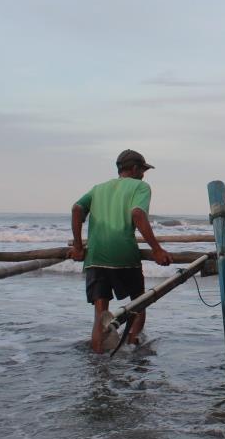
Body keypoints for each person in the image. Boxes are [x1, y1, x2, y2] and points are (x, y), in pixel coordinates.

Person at [69, 149, 171, 353]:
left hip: (95, 257)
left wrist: (78, 248)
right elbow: (138, 214)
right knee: (138, 304)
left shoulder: (98, 189)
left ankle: (98, 360)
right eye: (142, 170)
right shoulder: (140, 187)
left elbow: (76, 209)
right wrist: (157, 250)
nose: (143, 175)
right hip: (123, 254)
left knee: (101, 314)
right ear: (134, 169)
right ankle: (131, 347)